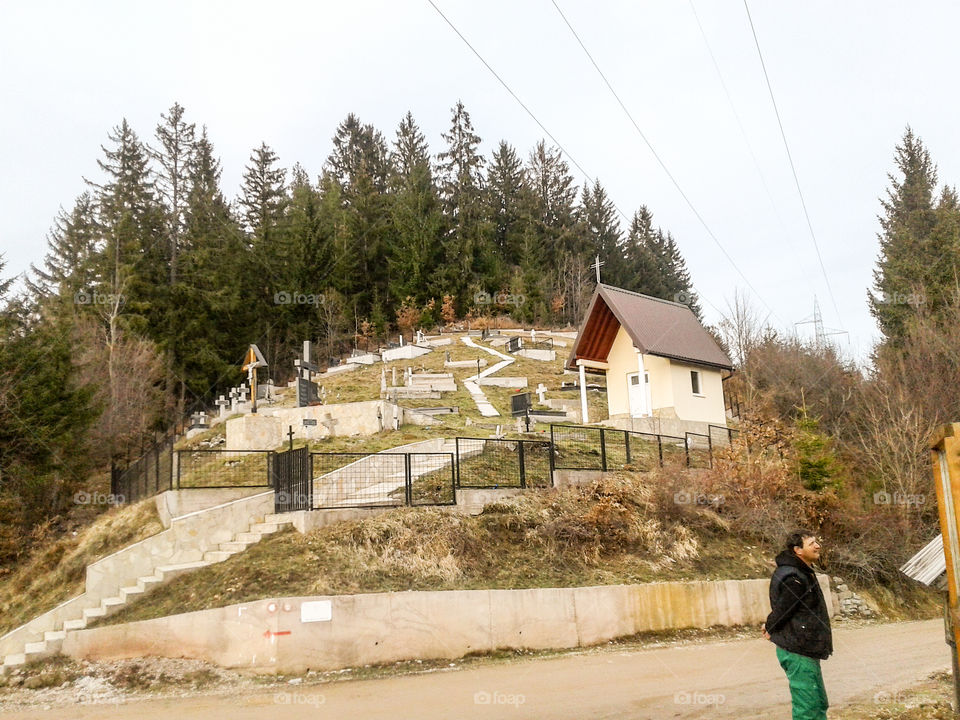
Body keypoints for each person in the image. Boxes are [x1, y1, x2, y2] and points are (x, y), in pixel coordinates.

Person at [761, 530, 833, 720]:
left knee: (818, 703)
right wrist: (769, 627)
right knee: (807, 708)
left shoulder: (801, 571)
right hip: (798, 649)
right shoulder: (794, 577)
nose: (817, 546)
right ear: (798, 550)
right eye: (811, 544)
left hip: (806, 648)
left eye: (816, 542)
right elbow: (783, 609)